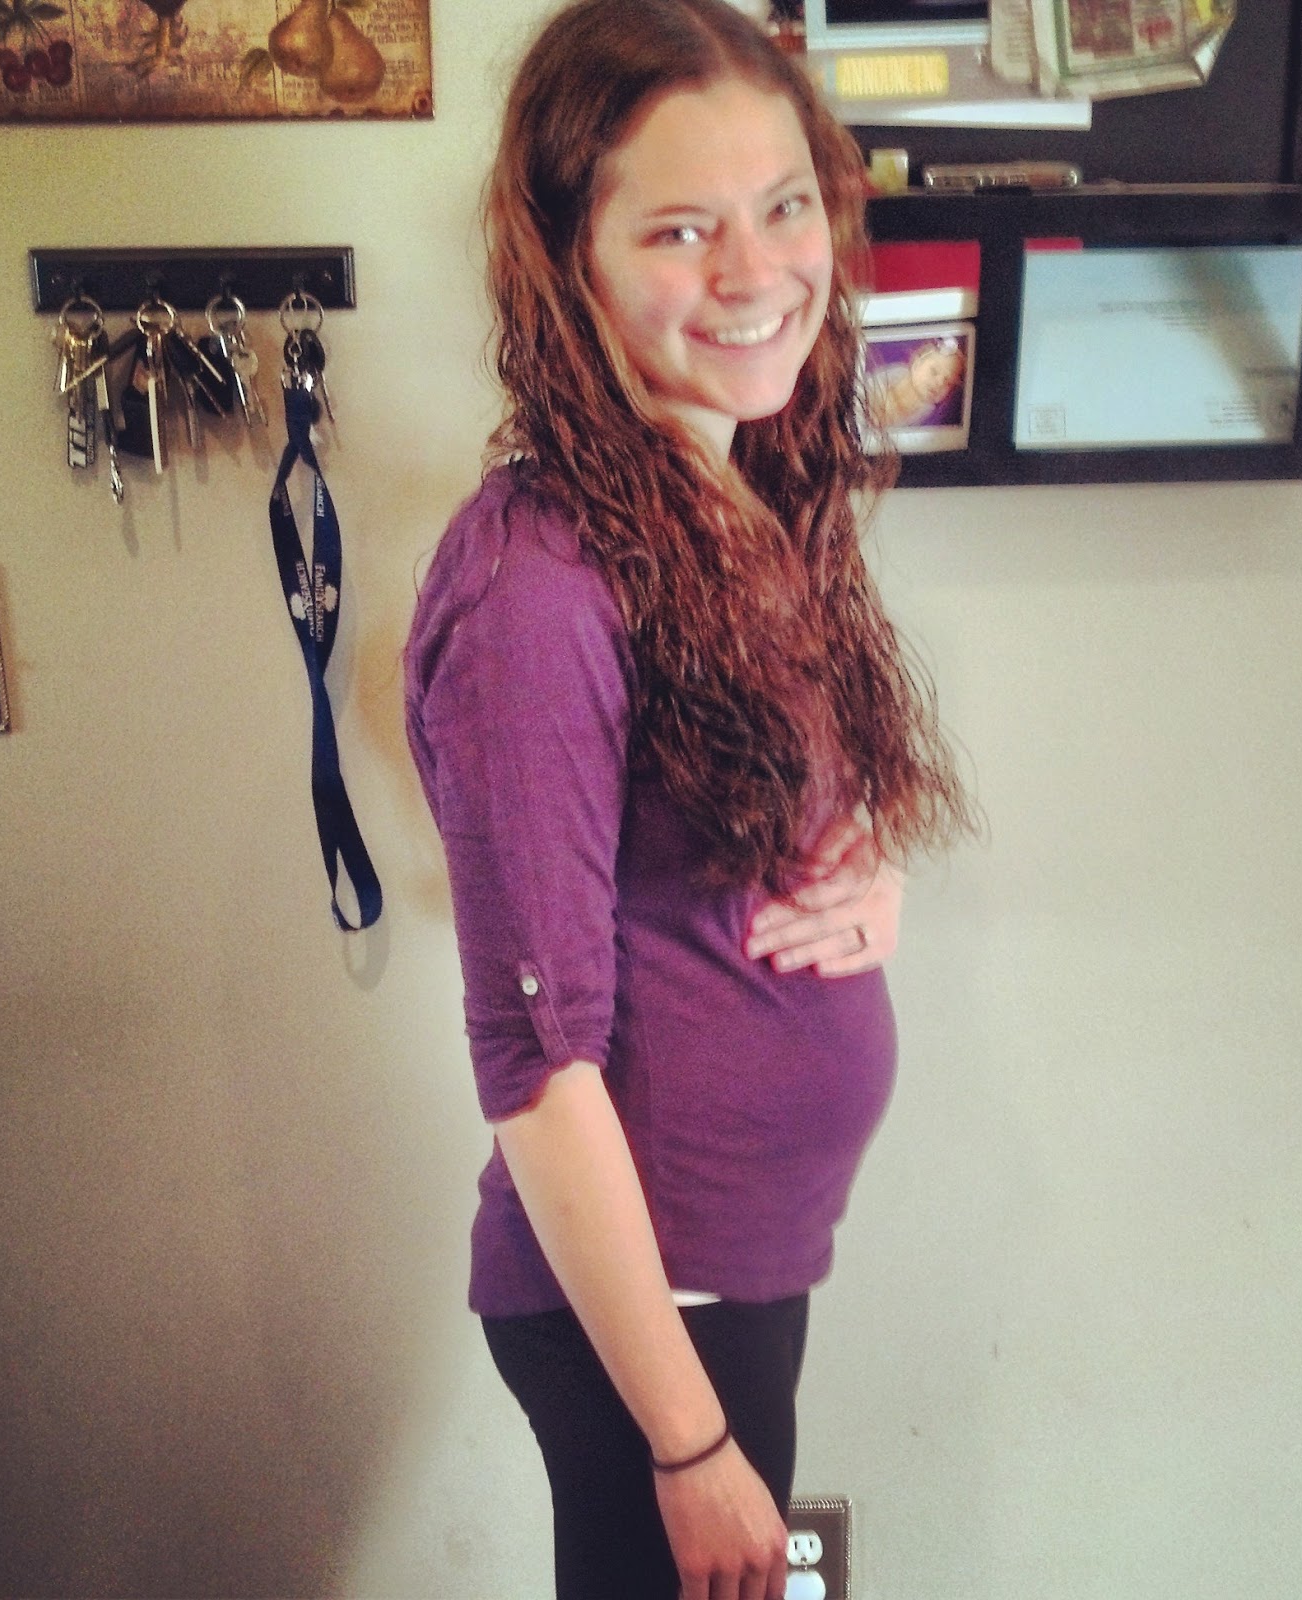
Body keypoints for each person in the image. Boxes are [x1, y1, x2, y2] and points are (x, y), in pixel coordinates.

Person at [404, 1, 971, 1595]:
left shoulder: (726, 490)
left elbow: (735, 826)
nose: (757, 270)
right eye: (679, 230)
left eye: (784, 206)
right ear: (568, 258)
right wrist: (687, 1443)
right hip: (653, 1318)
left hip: (730, 1268)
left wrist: (867, 884)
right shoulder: (536, 590)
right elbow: (533, 1062)